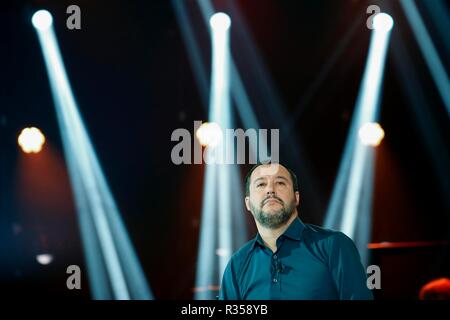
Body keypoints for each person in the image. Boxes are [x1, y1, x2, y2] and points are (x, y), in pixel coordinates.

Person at [219, 162, 373, 300]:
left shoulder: (334, 245)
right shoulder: (237, 264)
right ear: (248, 203)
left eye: (280, 183)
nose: (270, 190)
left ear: (296, 197)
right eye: (260, 184)